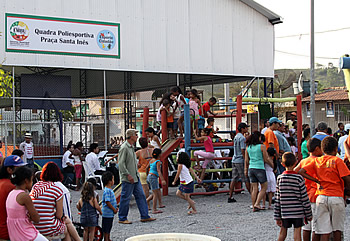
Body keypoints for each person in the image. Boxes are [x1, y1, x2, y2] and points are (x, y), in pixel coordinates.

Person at [299, 137, 350, 241]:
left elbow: (301, 171)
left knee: (322, 230)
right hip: (336, 196)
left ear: (322, 149)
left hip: (321, 197)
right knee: (337, 229)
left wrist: (316, 180)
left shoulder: (317, 160)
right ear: (336, 149)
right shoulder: (337, 161)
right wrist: (347, 188)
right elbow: (346, 177)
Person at [30, 162, 80, 240]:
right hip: (48, 228)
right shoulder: (57, 189)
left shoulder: (36, 186)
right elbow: (59, 215)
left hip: (35, 225)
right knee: (66, 226)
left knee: (66, 223)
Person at [118, 129, 155, 224]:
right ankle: (122, 218)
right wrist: (127, 174)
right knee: (126, 197)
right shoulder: (124, 148)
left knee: (141, 196)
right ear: (131, 136)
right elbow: (121, 164)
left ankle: (144, 215)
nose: (137, 137)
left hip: (135, 176)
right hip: (129, 178)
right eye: (135, 135)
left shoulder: (130, 147)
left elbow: (127, 162)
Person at [274, 152, 312, 241]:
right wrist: (308, 214)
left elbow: (277, 198)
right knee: (297, 232)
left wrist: (277, 216)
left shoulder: (280, 178)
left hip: (284, 211)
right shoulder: (299, 178)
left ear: (282, 164)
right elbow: (304, 197)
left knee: (282, 232)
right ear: (296, 163)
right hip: (298, 212)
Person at [6, 166, 48, 241]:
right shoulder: (24, 196)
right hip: (25, 234)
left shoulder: (11, 193)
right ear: (26, 181)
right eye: (31, 180)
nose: (32, 183)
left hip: (14, 234)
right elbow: (36, 218)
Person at [294, 138, 323, 241]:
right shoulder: (319, 161)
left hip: (305, 196)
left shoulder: (304, 161)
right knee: (316, 227)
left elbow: (294, 172)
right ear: (317, 148)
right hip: (316, 195)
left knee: (306, 226)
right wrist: (316, 180)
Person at [0, 155, 26, 240]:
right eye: (19, 169)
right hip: (7, 232)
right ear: (9, 170)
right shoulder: (11, 188)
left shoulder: (3, 183)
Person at [245, 131, 272, 212]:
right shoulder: (262, 146)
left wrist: (245, 169)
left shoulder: (248, 147)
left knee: (254, 188)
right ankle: (257, 203)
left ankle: (254, 205)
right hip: (259, 167)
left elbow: (246, 160)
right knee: (264, 187)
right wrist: (272, 164)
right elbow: (266, 158)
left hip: (251, 168)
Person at [228, 122, 250, 203]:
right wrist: (246, 160)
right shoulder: (242, 138)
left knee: (233, 178)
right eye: (246, 128)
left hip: (234, 159)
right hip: (240, 160)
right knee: (246, 178)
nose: (247, 129)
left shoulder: (236, 136)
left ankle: (230, 196)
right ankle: (253, 195)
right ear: (242, 129)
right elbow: (242, 149)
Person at [146, 149, 166, 214]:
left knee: (156, 191)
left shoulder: (151, 161)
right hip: (153, 177)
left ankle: (145, 201)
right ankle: (154, 209)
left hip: (150, 176)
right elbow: (159, 171)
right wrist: (162, 179)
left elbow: (146, 168)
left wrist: (147, 175)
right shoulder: (158, 162)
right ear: (159, 154)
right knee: (155, 193)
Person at [101, 171, 118, 241]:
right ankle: (106, 238)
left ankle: (108, 238)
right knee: (106, 228)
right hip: (107, 213)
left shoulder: (109, 190)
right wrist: (113, 209)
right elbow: (107, 201)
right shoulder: (107, 191)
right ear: (109, 181)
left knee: (108, 227)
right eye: (113, 179)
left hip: (109, 214)